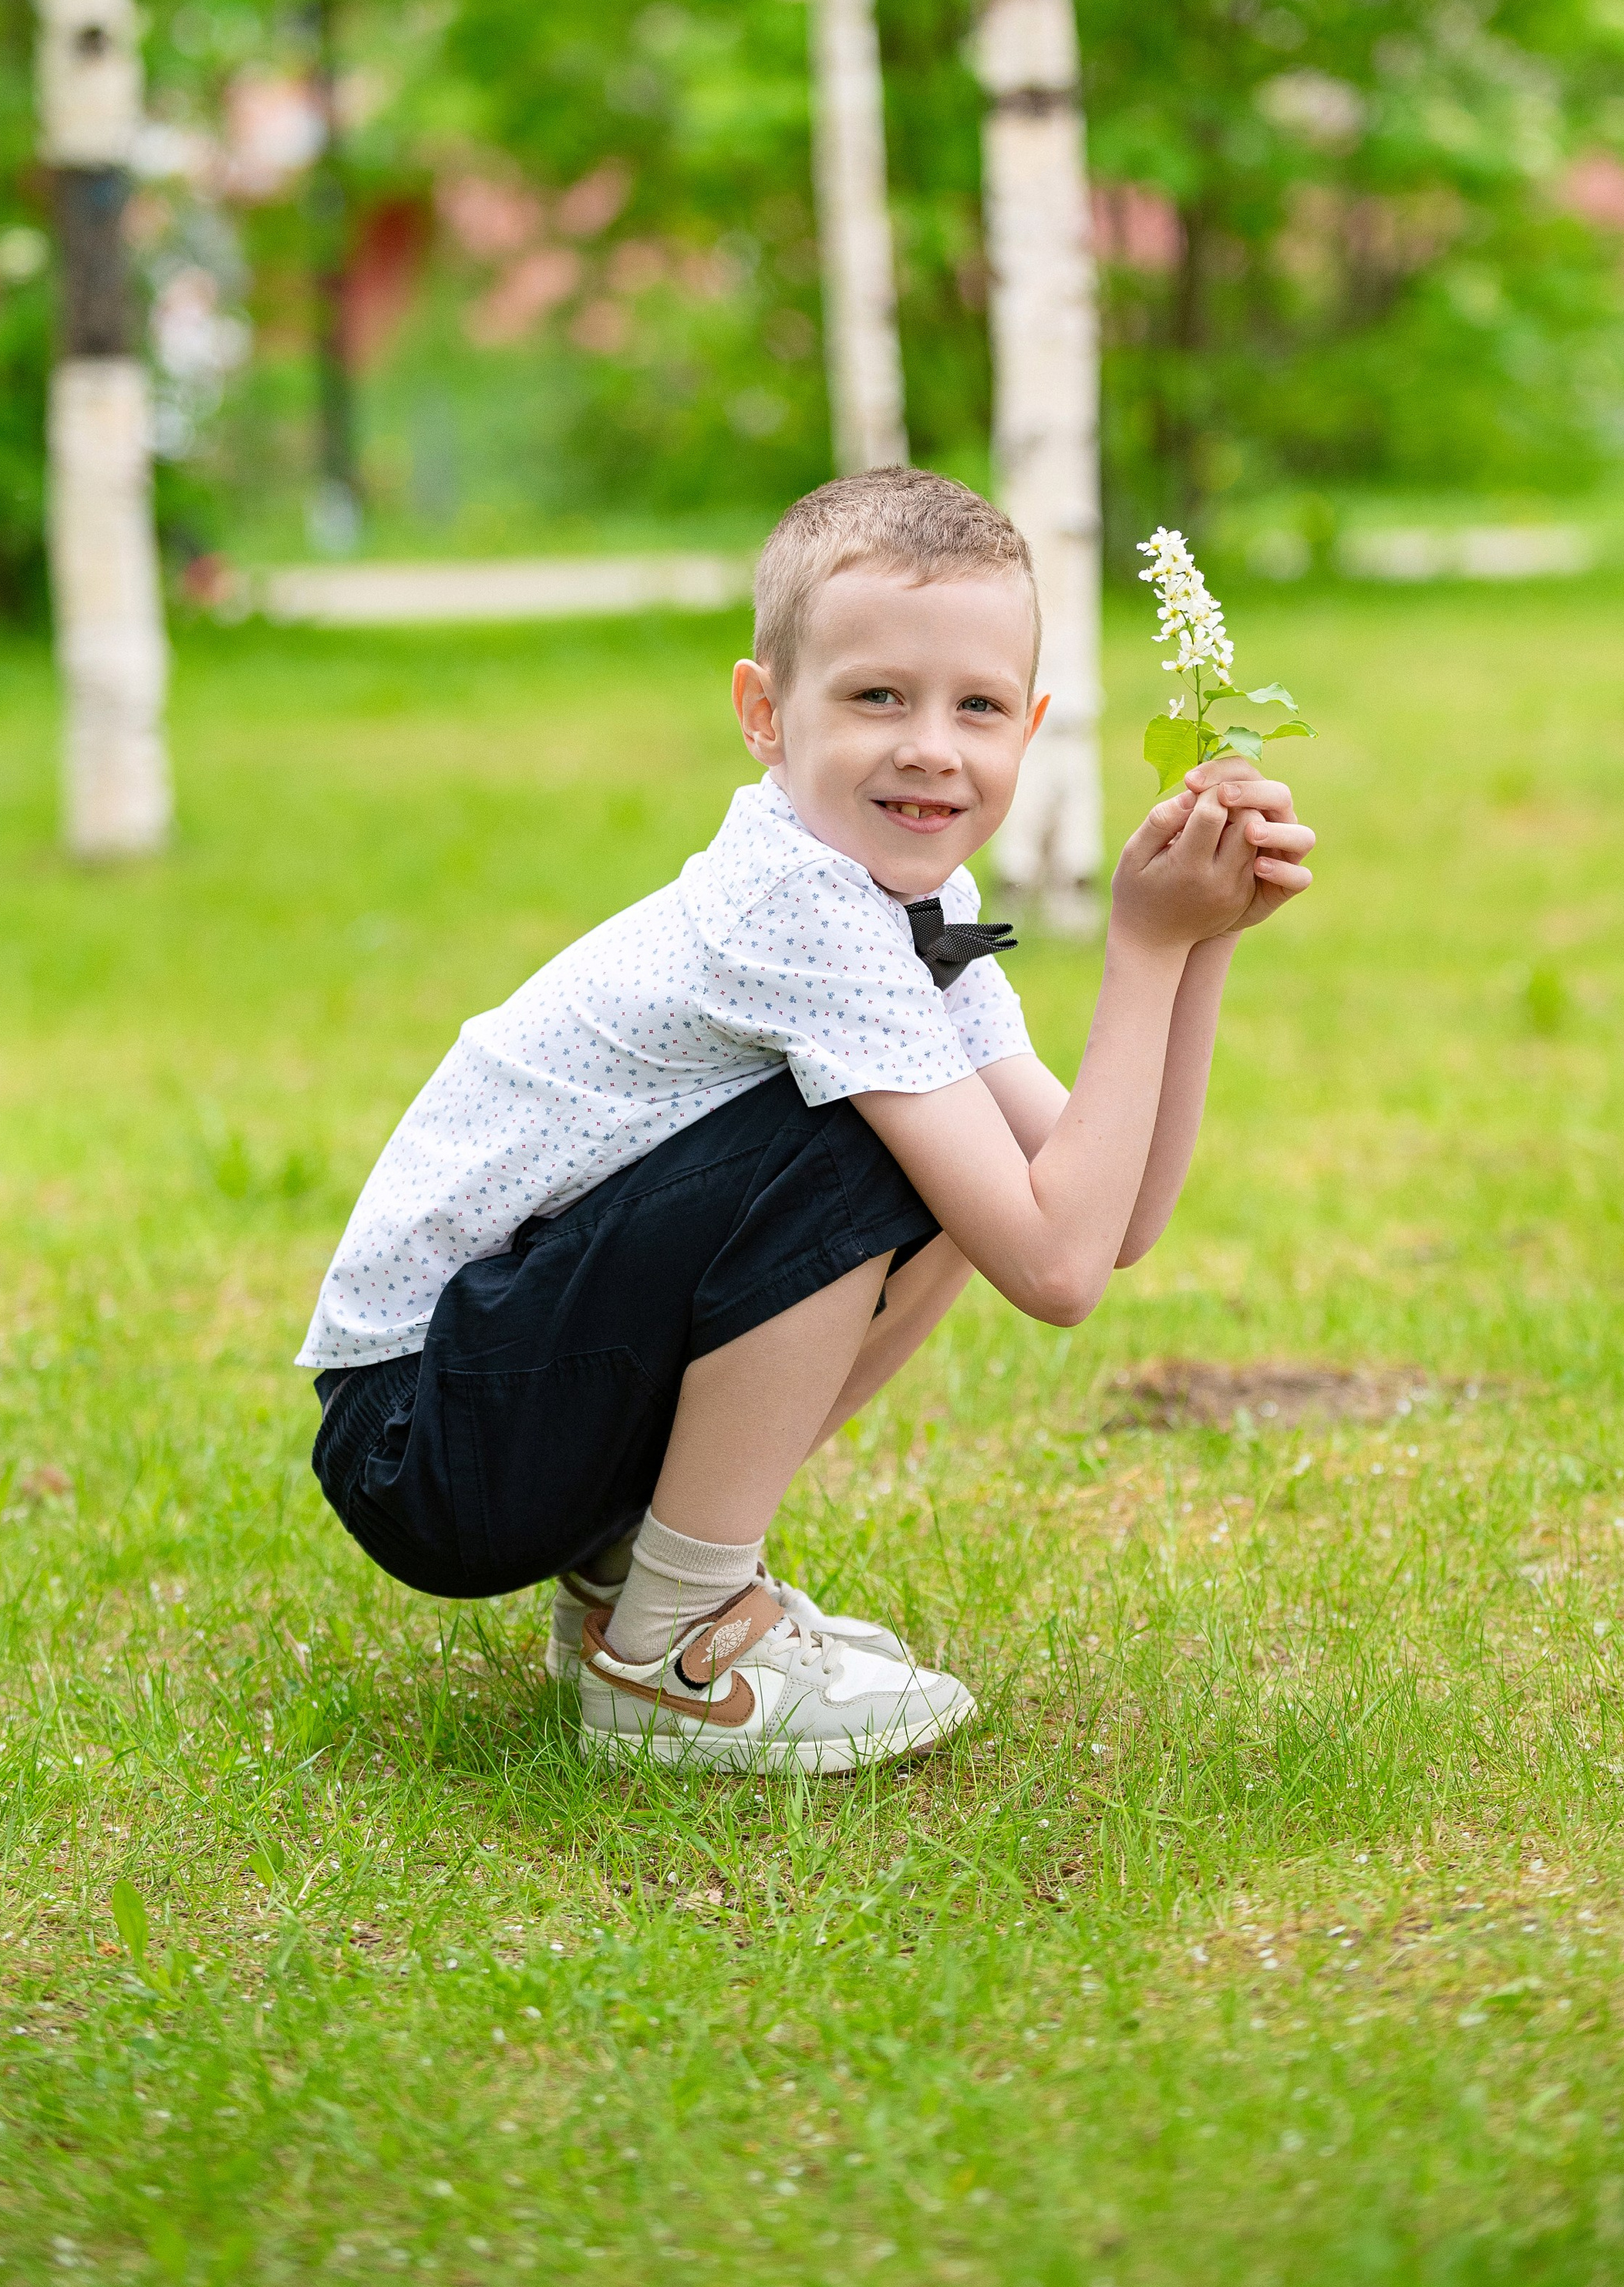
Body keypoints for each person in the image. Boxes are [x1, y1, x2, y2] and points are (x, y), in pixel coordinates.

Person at [301, 468, 1315, 1772]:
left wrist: (1202, 943)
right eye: (877, 696)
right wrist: (1143, 943)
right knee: (880, 1147)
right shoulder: (798, 907)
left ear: (1031, 728)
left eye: (978, 707)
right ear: (765, 714)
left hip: (510, 1401)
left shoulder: (905, 903)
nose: (931, 746)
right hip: (422, 1431)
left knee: (950, 1158)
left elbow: (1106, 1220)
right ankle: (676, 1647)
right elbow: (1056, 1270)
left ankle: (641, 1576)